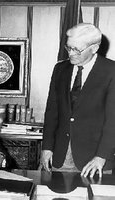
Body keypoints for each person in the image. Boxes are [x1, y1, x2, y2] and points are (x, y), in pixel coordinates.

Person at [40, 23, 115, 178]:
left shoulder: (111, 71)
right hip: (60, 157)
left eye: (77, 49)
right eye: (69, 47)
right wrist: (47, 147)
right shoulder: (60, 69)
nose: (71, 54)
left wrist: (101, 156)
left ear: (94, 48)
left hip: (95, 159)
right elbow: (52, 111)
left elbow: (113, 120)